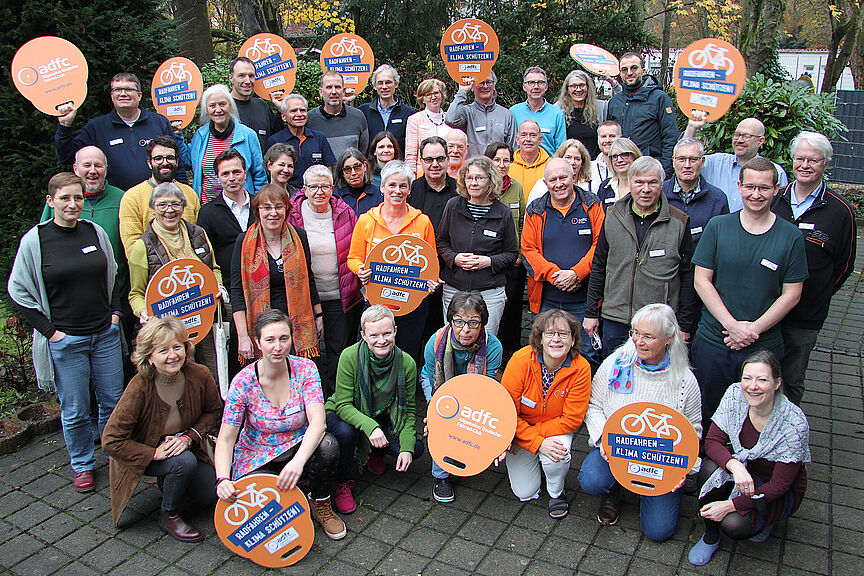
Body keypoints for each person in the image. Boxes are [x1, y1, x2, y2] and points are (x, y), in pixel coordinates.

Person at [9, 172, 124, 493]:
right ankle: (83, 465)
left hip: (104, 334)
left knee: (112, 401)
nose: (72, 204)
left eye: (78, 198)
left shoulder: (95, 232)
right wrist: (51, 333)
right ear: (50, 201)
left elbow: (112, 275)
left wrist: (115, 315)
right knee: (74, 410)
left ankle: (113, 451)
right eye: (65, 198)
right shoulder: (36, 240)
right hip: (66, 340)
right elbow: (18, 291)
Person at [691, 158, 808, 432]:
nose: (756, 194)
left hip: (762, 345)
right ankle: (709, 467)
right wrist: (732, 326)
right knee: (708, 412)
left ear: (777, 189)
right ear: (739, 187)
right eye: (751, 187)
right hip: (714, 341)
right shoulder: (718, 226)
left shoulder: (790, 236)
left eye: (764, 188)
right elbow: (702, 281)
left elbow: (791, 294)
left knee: (758, 416)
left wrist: (752, 331)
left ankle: (749, 470)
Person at [214, 309, 346, 540]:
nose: (278, 347)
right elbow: (226, 439)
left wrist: (298, 462)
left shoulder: (306, 369)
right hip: (257, 453)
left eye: (284, 339)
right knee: (258, 515)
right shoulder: (242, 382)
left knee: (328, 445)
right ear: (257, 342)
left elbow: (318, 423)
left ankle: (320, 503)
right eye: (270, 340)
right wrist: (222, 478)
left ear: (291, 339)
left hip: (298, 447)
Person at [579, 304, 702, 539]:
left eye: (648, 336)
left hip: (660, 459)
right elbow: (593, 405)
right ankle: (615, 488)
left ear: (668, 339)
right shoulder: (618, 362)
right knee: (591, 480)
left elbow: (693, 430)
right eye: (635, 332)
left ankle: (645, 487)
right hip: (617, 448)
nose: (638, 341)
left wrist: (684, 468)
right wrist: (603, 438)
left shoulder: (685, 380)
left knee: (658, 531)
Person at [102, 317, 222, 540]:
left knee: (208, 495)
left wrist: (188, 438)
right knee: (182, 462)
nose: (173, 355)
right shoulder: (139, 386)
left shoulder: (200, 374)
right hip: (146, 452)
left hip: (186, 445)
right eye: (163, 350)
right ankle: (169, 515)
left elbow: (214, 412)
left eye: (177, 347)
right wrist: (153, 453)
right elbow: (110, 440)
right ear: (149, 356)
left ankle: (172, 482)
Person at [689, 351, 809, 565]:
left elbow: (780, 485)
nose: (752, 386)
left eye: (762, 380)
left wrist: (729, 505)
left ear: (777, 383)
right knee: (708, 468)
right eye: (747, 378)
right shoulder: (735, 395)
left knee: (733, 525)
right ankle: (710, 535)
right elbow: (712, 442)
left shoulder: (794, 423)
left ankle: (766, 519)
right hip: (743, 470)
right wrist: (736, 467)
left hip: (774, 487)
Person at [771, 132, 856, 405]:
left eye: (813, 160)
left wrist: (818, 293)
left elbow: (845, 265)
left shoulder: (840, 211)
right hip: (763, 307)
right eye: (800, 158)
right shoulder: (773, 200)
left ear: (825, 164)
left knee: (792, 379)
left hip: (805, 316)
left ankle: (787, 438)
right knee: (758, 375)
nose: (805, 165)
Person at [584, 156, 696, 357]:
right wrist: (591, 312)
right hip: (616, 317)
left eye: (652, 182)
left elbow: (688, 274)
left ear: (662, 184)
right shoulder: (612, 215)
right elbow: (599, 265)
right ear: (630, 182)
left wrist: (685, 324)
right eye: (639, 182)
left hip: (658, 322)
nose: (646, 189)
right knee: (615, 375)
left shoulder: (679, 222)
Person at [324, 305, 425, 514]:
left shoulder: (407, 363)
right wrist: (371, 427)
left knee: (415, 448)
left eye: (387, 333)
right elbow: (343, 405)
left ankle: (375, 453)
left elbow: (408, 412)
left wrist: (405, 448)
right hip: (344, 413)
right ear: (363, 335)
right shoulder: (349, 356)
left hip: (381, 415)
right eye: (374, 335)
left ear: (395, 331)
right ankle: (343, 482)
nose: (382, 340)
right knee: (345, 432)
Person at [127, 183, 224, 380]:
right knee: (178, 381)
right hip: (167, 331)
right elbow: (135, 293)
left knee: (208, 376)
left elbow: (213, 268)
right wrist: (143, 312)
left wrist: (218, 286)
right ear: (152, 208)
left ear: (183, 207)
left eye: (175, 204)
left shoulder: (198, 234)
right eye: (162, 205)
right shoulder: (142, 246)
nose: (169, 210)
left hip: (202, 320)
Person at [501, 309, 591, 518]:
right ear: (540, 338)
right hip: (520, 429)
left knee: (557, 456)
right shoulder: (520, 360)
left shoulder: (581, 369)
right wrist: (529, 439)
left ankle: (556, 491)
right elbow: (506, 411)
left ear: (573, 339)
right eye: (550, 334)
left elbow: (572, 420)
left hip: (554, 429)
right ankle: (536, 463)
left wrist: (535, 440)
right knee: (525, 491)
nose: (556, 340)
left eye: (563, 334)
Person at [348, 161, 440, 365]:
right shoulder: (366, 220)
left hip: (412, 305)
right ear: (382, 187)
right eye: (392, 185)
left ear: (409, 188)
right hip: (375, 302)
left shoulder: (422, 221)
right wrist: (360, 270)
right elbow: (353, 258)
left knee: (407, 356)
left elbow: (430, 261)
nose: (397, 191)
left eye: (403, 186)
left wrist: (431, 281)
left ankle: (405, 395)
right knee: (370, 357)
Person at [420, 292, 503, 502]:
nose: (465, 329)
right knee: (443, 417)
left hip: (475, 388)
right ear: (451, 321)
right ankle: (441, 475)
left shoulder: (493, 347)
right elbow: (437, 388)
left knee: (468, 416)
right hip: (438, 383)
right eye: (459, 321)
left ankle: (467, 452)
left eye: (473, 323)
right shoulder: (435, 342)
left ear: (483, 323)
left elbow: (485, 387)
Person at [288, 165, 363, 394]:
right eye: (313, 186)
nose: (319, 191)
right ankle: (310, 396)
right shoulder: (293, 213)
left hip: (339, 295)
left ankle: (337, 397)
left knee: (338, 349)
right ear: (304, 188)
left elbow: (356, 249)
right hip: (304, 298)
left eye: (325, 186)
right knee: (307, 350)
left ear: (333, 187)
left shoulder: (344, 211)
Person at [522, 159, 604, 365]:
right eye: (553, 179)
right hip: (546, 299)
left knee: (586, 354)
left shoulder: (592, 204)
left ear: (573, 177)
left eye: (563, 177)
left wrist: (577, 273)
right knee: (545, 353)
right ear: (545, 182)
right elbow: (528, 250)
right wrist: (555, 275)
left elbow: (601, 245)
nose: (558, 184)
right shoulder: (535, 209)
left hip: (585, 300)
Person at [231, 184, 323, 363]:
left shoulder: (299, 236)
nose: (273, 212)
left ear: (286, 210)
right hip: (260, 327)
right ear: (258, 211)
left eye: (279, 207)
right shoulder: (244, 241)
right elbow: (236, 291)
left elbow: (309, 279)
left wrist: (318, 316)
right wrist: (243, 336)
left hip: (295, 327)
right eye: (267, 207)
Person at [55, 72, 188, 191]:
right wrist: (65, 126)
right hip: (116, 203)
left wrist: (183, 192)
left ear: (139, 95)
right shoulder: (97, 127)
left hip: (159, 200)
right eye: (118, 89)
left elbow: (177, 161)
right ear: (112, 95)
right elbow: (66, 156)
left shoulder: (159, 122)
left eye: (129, 89)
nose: (123, 93)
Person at [437, 156, 518, 335]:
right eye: (469, 177)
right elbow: (441, 242)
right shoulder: (453, 206)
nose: (474, 183)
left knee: (485, 341)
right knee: (454, 338)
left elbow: (512, 253)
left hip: (489, 290)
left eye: (480, 178)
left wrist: (488, 261)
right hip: (454, 287)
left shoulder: (503, 213)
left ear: (491, 180)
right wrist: (455, 258)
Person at [684, 112, 789, 211]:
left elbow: (779, 209)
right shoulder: (715, 163)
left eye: (746, 136)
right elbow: (683, 156)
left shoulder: (774, 171)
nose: (739, 140)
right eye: (737, 135)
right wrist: (692, 127)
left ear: (760, 141)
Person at [120, 136, 201, 255]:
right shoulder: (132, 197)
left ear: (177, 162)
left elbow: (198, 237)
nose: (165, 162)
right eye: (158, 158)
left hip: (188, 268)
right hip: (153, 269)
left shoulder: (189, 194)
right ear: (149, 163)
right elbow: (132, 246)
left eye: (170, 158)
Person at [186, 84, 267, 204]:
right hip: (207, 206)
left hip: (242, 207)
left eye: (222, 104)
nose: (218, 110)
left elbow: (259, 174)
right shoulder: (200, 136)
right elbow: (187, 161)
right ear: (207, 110)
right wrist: (177, 135)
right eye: (212, 105)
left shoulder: (248, 135)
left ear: (230, 106)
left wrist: (258, 204)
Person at [485, 142, 527, 355]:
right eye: (497, 160)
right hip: (488, 263)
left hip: (512, 262)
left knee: (511, 313)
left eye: (506, 160)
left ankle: (508, 358)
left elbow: (522, 224)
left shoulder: (517, 187)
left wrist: (518, 255)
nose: (502, 165)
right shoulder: (480, 187)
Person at [606, 53, 678, 177]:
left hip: (649, 170)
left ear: (643, 70)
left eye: (634, 68)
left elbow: (670, 136)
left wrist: (665, 171)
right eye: (624, 69)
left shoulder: (659, 98)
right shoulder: (614, 102)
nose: (629, 73)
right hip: (621, 171)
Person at [663, 137, 729, 249]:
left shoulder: (718, 198)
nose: (687, 165)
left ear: (702, 162)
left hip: (704, 264)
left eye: (693, 160)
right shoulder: (660, 194)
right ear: (673, 161)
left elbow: (724, 240)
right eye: (681, 159)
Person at [266, 94, 336, 190]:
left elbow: (328, 169)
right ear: (283, 116)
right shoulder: (275, 141)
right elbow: (270, 174)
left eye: (302, 110)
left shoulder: (319, 138)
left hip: (315, 193)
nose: (299, 114)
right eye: (293, 111)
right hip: (286, 194)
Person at [445, 72, 517, 157]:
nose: (485, 86)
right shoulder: (466, 112)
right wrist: (462, 92)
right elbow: (451, 120)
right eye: (481, 82)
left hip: (497, 168)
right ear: (473, 86)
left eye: (489, 82)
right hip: (472, 168)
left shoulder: (506, 115)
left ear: (494, 85)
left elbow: (512, 148)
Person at [307, 71, 370, 157]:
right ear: (321, 92)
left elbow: (363, 153)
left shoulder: (358, 117)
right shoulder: (310, 120)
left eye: (337, 87)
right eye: (329, 87)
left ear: (343, 91)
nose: (333, 92)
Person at [228, 56, 283, 151]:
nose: (247, 81)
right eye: (241, 76)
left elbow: (277, 138)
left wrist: (281, 110)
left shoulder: (262, 106)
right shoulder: (223, 109)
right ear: (231, 78)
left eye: (251, 76)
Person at [510, 66, 566, 156]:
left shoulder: (556, 114)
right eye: (531, 83)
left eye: (540, 83)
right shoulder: (513, 112)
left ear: (546, 86)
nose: (536, 87)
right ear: (524, 86)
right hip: (520, 167)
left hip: (548, 167)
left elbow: (561, 149)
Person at [358, 64, 415, 153]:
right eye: (380, 83)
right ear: (374, 86)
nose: (384, 87)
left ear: (396, 84)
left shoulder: (408, 114)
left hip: (398, 165)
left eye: (388, 82)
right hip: (371, 165)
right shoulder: (363, 112)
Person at [555, 70, 609, 158]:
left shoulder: (601, 107)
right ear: (567, 90)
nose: (578, 89)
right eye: (573, 86)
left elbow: (620, 103)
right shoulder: (558, 110)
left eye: (582, 85)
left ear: (588, 87)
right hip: (570, 164)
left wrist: (614, 84)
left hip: (595, 165)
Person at [409, 136, 459, 231]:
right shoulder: (410, 191)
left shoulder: (461, 190)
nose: (435, 164)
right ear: (421, 161)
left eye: (440, 159)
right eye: (429, 159)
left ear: (448, 159)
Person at [405, 78, 450, 175]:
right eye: (428, 94)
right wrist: (412, 177)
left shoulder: (450, 118)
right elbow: (411, 155)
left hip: (448, 173)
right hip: (423, 174)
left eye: (436, 93)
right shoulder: (414, 119)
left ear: (442, 95)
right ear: (422, 98)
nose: (433, 97)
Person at [527, 138, 593, 203]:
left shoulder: (591, 185)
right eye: (568, 157)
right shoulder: (541, 185)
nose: (572, 162)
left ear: (582, 163)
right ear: (559, 158)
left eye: (577, 159)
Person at [333, 147, 383, 216]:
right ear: (342, 173)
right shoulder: (335, 196)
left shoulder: (379, 194)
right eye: (347, 169)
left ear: (364, 166)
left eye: (357, 167)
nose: (353, 173)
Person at [595, 137, 641, 209]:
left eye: (625, 155)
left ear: (635, 157)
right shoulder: (605, 187)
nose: (619, 160)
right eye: (614, 156)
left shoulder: (644, 185)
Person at [510, 120, 550, 193]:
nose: (528, 139)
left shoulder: (550, 165)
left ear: (540, 139)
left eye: (533, 135)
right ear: (517, 140)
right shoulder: (508, 166)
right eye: (523, 135)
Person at [590, 121, 622, 192]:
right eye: (603, 136)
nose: (607, 140)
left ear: (620, 138)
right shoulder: (589, 168)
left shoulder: (627, 166)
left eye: (612, 136)